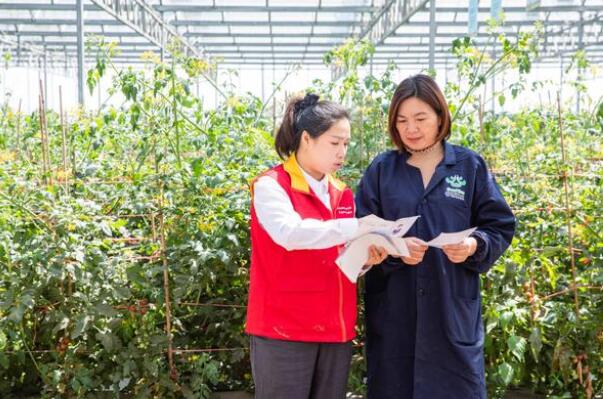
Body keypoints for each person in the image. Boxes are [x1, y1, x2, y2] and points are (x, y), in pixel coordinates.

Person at [356, 74, 516, 398]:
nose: (410, 129)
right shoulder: (382, 169)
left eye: (420, 118)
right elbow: (362, 227)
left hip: (451, 314)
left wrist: (474, 245)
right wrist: (394, 247)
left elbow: (499, 223)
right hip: (395, 314)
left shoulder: (468, 166)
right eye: (402, 120)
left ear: (440, 117)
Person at [246, 93, 387, 399]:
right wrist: (356, 227)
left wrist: (365, 259)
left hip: (334, 328)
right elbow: (290, 233)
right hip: (285, 328)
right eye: (334, 143)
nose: (342, 152)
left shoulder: (342, 193)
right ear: (306, 139)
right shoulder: (272, 185)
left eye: (346, 144)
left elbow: (338, 256)